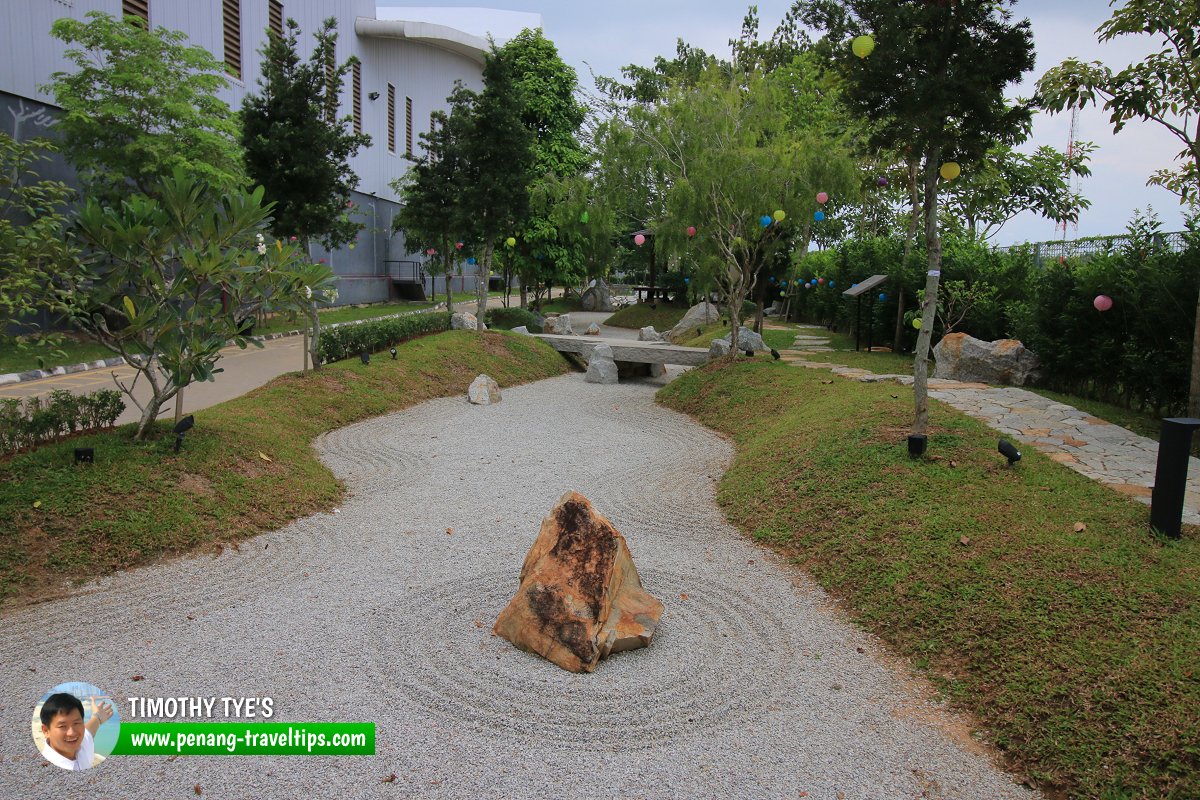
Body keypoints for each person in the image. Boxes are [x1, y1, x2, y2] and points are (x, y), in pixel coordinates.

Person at [39, 693, 112, 770]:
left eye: (76, 723)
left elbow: (89, 730)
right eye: (62, 726)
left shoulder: (81, 744)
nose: (72, 733)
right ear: (46, 731)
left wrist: (98, 716)